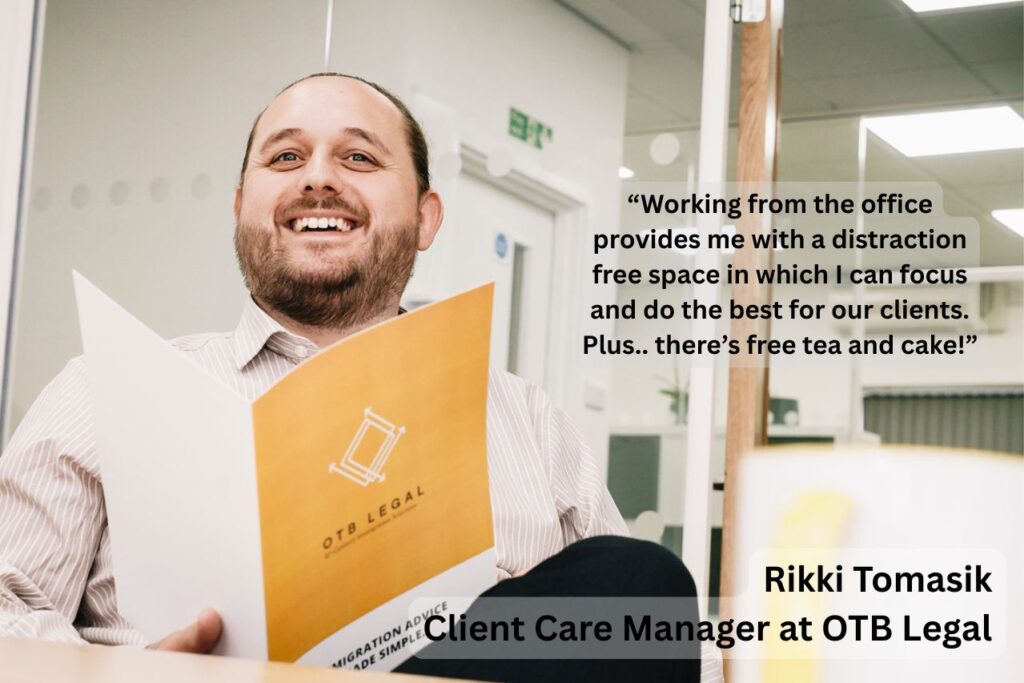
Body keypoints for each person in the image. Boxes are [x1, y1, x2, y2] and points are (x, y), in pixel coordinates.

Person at [0, 73, 707, 681]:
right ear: (241, 204)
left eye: (358, 156)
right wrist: (134, 672)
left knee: (642, 584)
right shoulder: (106, 392)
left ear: (426, 218)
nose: (317, 176)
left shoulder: (529, 420)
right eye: (286, 156)